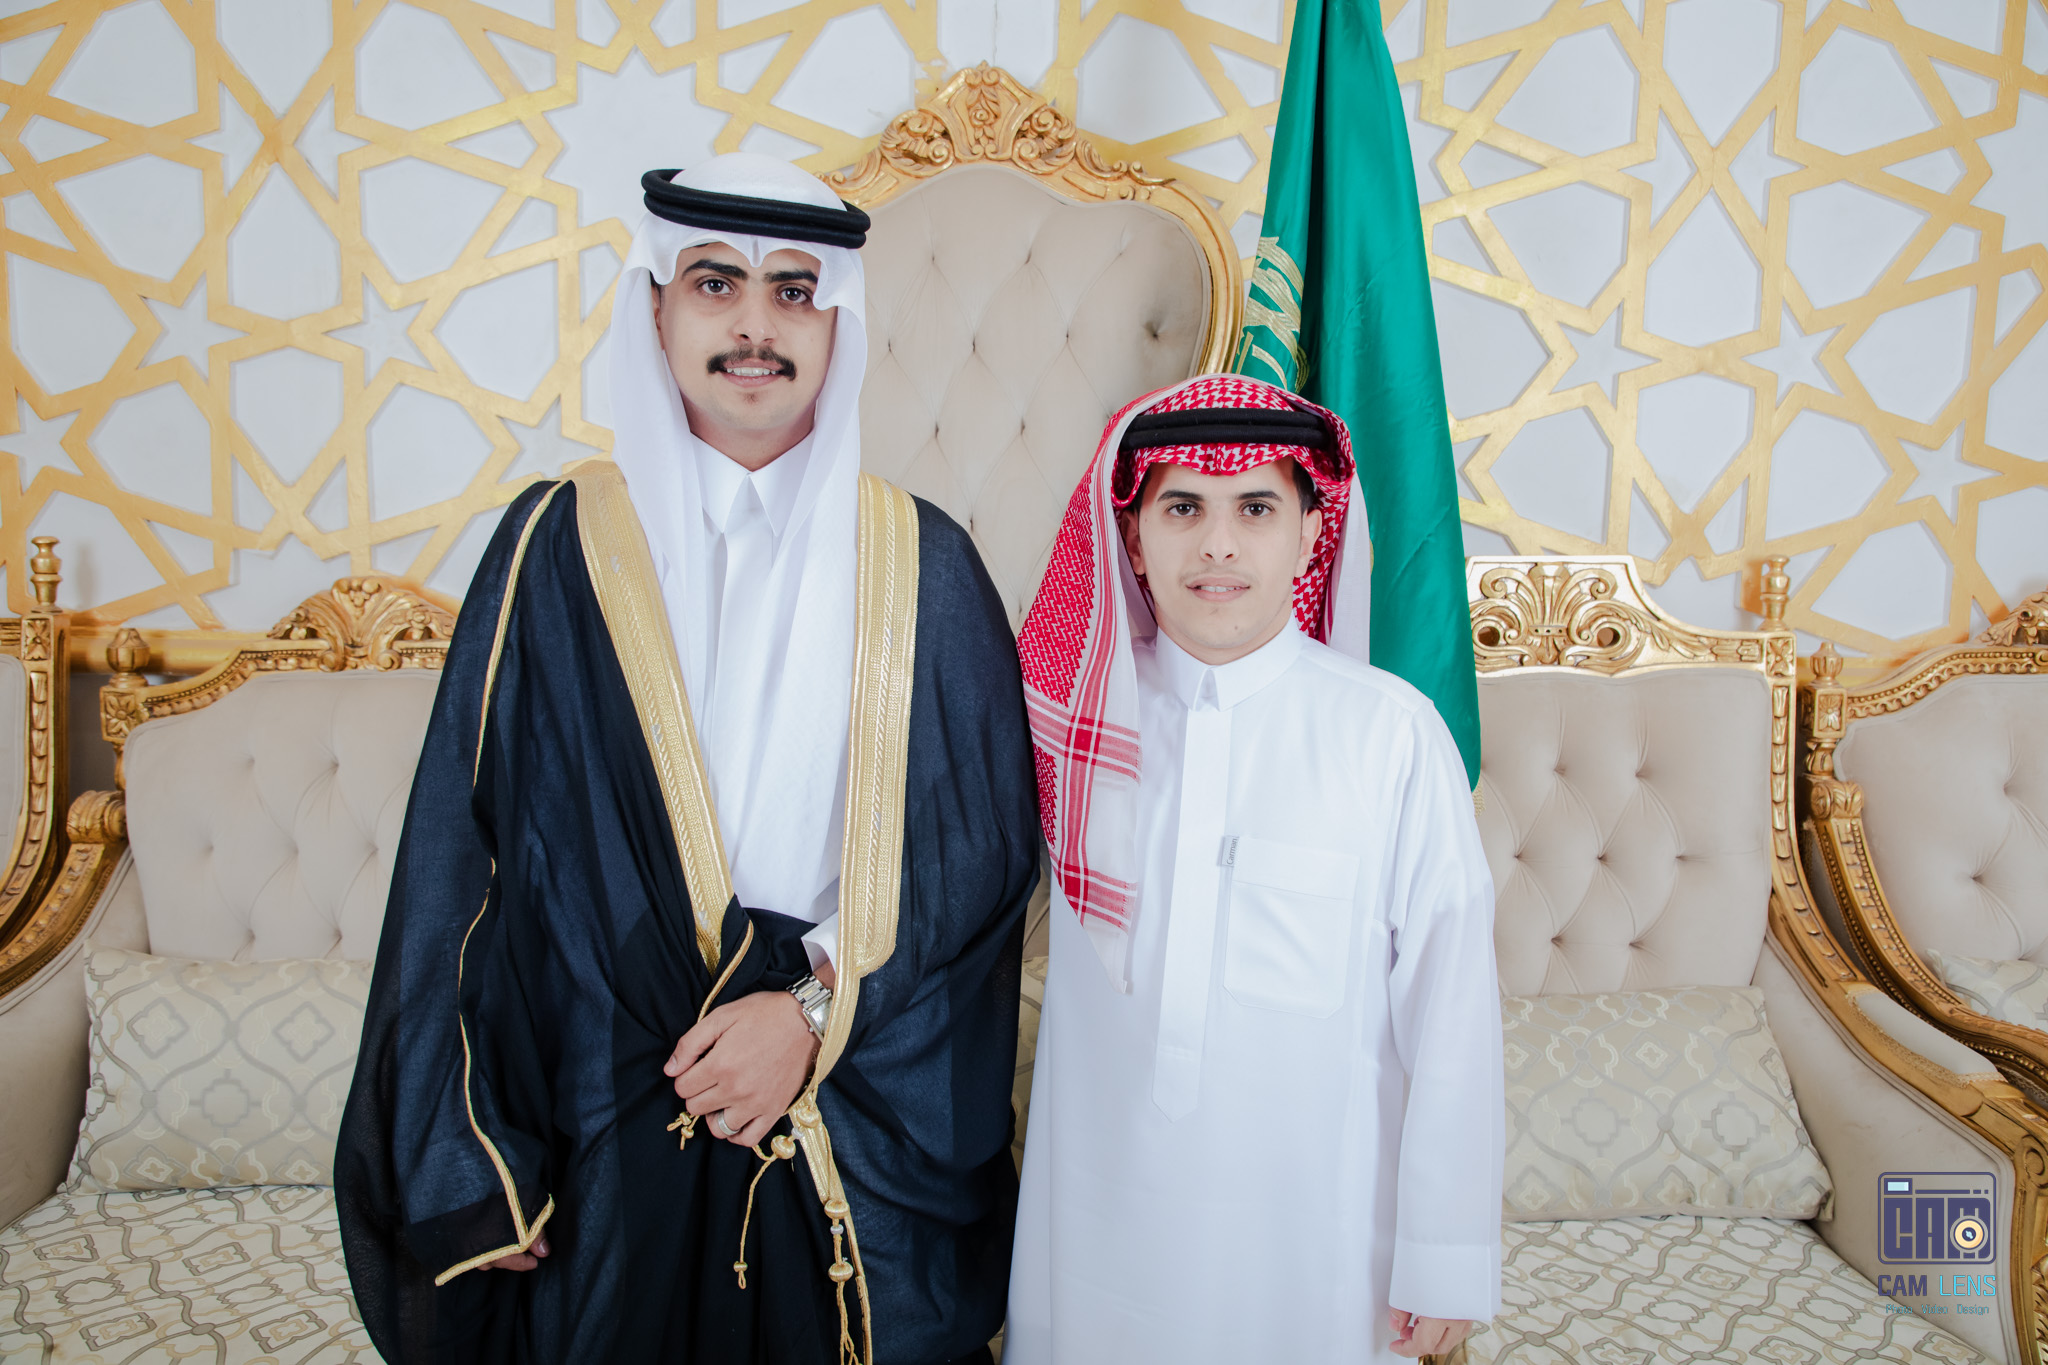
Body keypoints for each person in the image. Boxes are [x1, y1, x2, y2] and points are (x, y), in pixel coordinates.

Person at [337, 153, 1037, 1365]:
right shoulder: (554, 546)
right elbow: (463, 851)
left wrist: (810, 1014)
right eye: (715, 283)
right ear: (656, 310)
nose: (754, 325)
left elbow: (973, 868)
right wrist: (466, 1157)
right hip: (597, 1105)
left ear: (838, 324)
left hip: (837, 1096)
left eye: (793, 291)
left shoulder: (923, 563)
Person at [1005, 374, 1503, 1362]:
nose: (1219, 544)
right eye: (1182, 508)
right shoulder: (1065, 728)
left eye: (1257, 509)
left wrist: (1444, 1256)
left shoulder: (1389, 736)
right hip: (1097, 1230)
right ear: (1132, 536)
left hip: (1315, 1245)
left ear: (1312, 533)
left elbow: (1450, 1012)